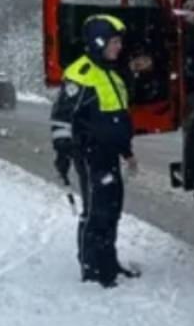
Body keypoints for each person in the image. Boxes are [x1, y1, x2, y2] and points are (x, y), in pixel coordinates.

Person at [51, 14, 140, 287]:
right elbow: (61, 117)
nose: (119, 47)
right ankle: (92, 270)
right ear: (99, 42)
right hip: (90, 155)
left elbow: (118, 120)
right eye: (114, 42)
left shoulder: (111, 74)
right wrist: (63, 153)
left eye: (119, 42)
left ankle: (108, 263)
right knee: (96, 212)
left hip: (110, 155)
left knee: (112, 210)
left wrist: (127, 152)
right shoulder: (81, 74)